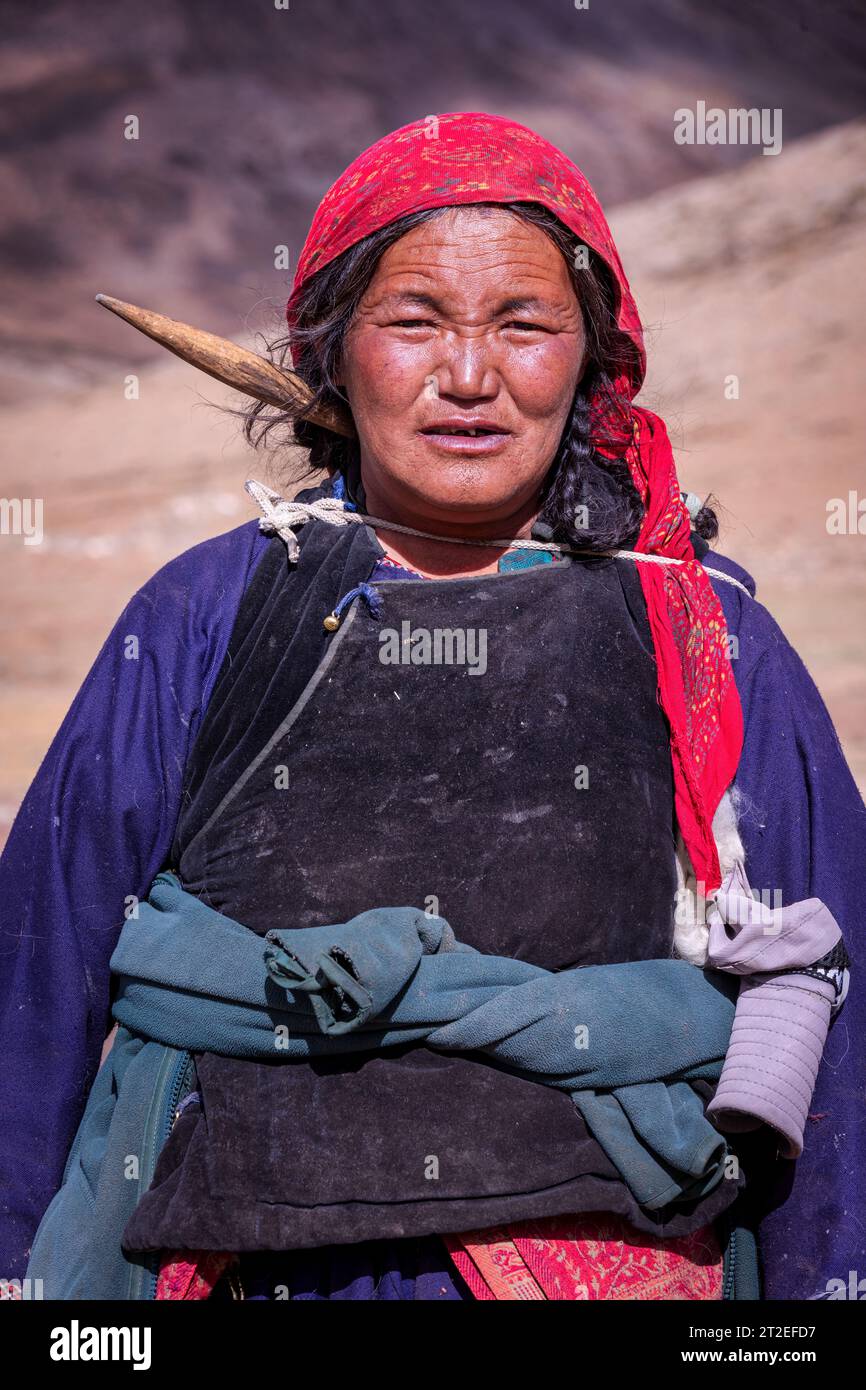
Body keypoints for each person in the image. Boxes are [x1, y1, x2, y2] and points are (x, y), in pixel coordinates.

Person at [2, 112, 863, 1302]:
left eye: (523, 324)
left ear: (591, 356)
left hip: (611, 1258)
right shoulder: (204, 616)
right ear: (332, 351)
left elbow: (829, 995)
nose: (469, 376)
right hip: (238, 1254)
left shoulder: (699, 632)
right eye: (412, 322)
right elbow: (39, 970)